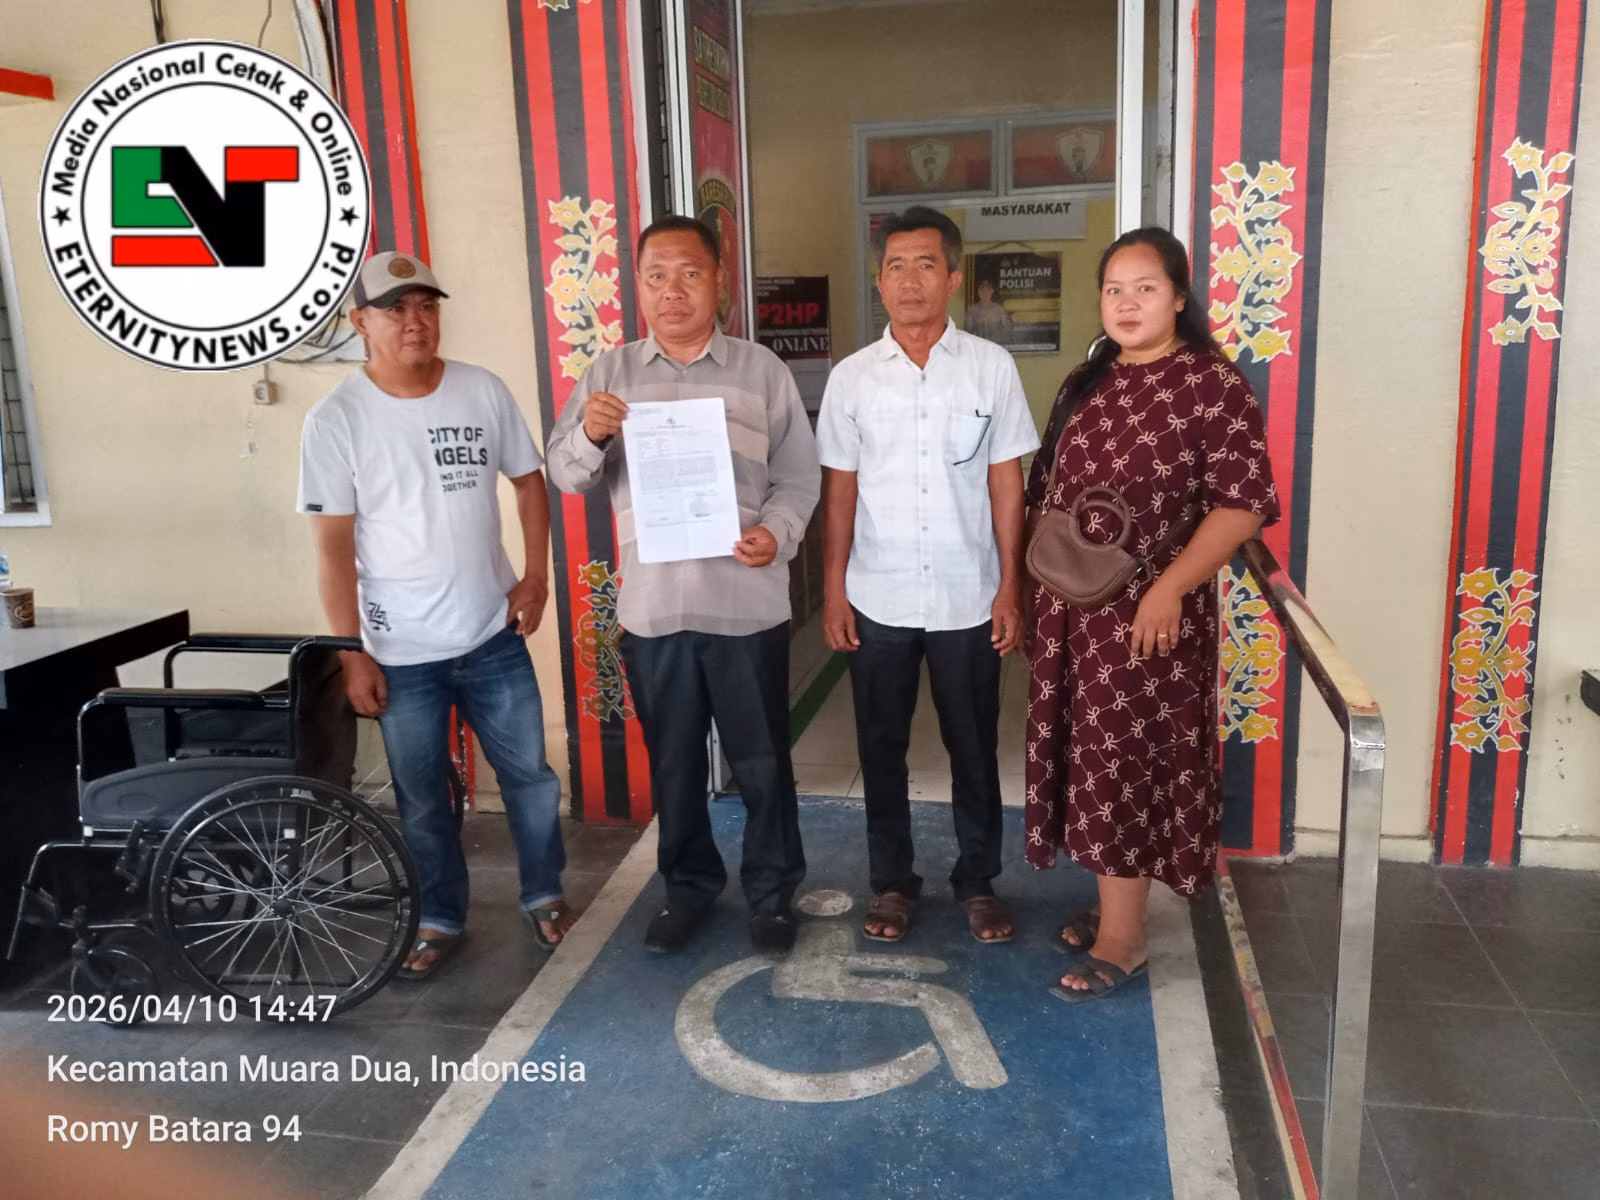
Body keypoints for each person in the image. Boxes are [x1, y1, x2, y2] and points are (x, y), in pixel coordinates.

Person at [545, 216, 820, 956]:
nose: (673, 290)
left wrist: (778, 532)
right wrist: (591, 433)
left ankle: (772, 897)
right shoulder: (609, 376)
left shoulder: (762, 371)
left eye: (690, 273)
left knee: (763, 764)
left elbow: (799, 476)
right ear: (637, 286)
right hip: (656, 611)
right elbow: (565, 475)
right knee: (674, 765)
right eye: (656, 276)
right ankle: (688, 890)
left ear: (719, 281)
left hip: (746, 605)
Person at [298, 250, 573, 981]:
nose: (415, 321)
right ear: (360, 322)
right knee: (422, 799)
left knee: (530, 778)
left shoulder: (481, 390)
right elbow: (332, 550)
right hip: (400, 651)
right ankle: (441, 917)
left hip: (492, 635)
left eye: (426, 305)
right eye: (395, 309)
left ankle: (545, 895)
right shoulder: (336, 420)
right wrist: (350, 651)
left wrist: (535, 577)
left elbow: (529, 483)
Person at [1024, 227, 1280, 1001]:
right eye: (1114, 289)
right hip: (1073, 614)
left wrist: (1170, 587)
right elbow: (1049, 489)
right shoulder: (1088, 379)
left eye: (1144, 288)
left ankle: (1125, 940)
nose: (1127, 303)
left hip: (1147, 621)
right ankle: (1116, 904)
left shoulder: (1211, 385)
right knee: (1087, 762)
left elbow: (1243, 505)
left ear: (1178, 297)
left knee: (1125, 767)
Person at [816, 206, 1040, 946]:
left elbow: (1006, 482)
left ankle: (977, 881)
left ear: (952, 278)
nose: (910, 281)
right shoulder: (852, 379)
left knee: (972, 746)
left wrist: (1011, 585)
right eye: (896, 267)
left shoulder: (990, 367)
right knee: (880, 746)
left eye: (926, 265)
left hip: (967, 595)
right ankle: (892, 883)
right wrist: (834, 589)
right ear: (878, 282)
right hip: (877, 595)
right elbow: (840, 491)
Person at [963, 277, 1013, 345]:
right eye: (982, 289)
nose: (985, 292)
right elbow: (967, 333)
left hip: (995, 346)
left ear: (992, 291)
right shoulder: (971, 311)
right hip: (977, 347)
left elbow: (1006, 331)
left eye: (988, 289)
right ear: (978, 291)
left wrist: (995, 341)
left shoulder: (999, 310)